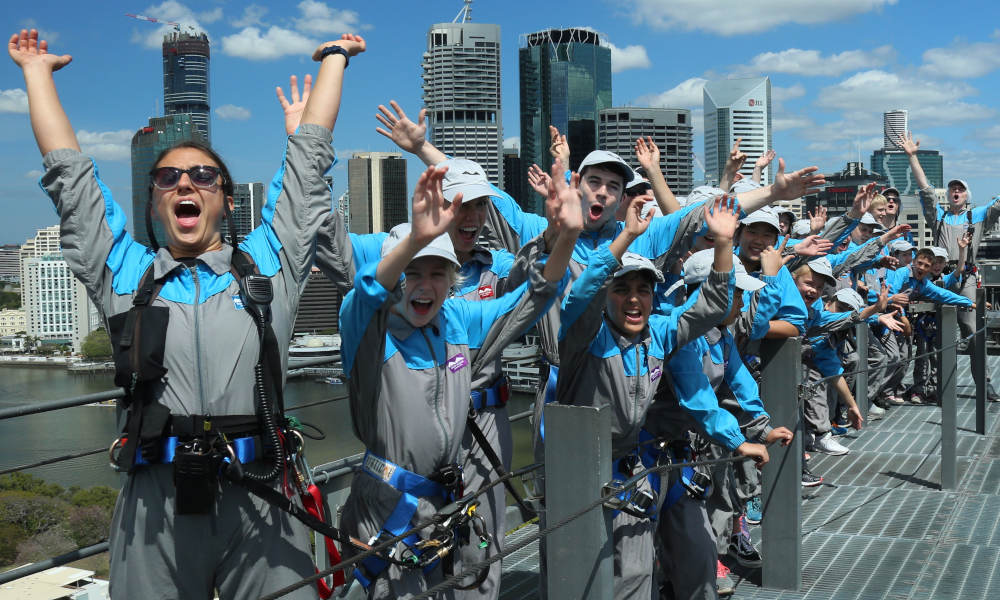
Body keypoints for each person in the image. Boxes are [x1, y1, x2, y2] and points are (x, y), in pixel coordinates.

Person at [10, 27, 366, 599]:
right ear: (154, 199)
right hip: (154, 503)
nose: (185, 183)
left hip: (260, 494)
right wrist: (34, 74)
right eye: (168, 177)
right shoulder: (127, 276)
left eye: (204, 176)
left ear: (225, 199)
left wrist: (334, 60)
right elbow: (71, 182)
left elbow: (307, 166)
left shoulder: (269, 268)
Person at [336, 162, 580, 598]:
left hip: (446, 497)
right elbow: (367, 293)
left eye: (436, 273)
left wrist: (567, 237)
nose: (424, 286)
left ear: (452, 281)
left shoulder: (456, 319)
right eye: (412, 273)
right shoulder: (370, 331)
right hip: (390, 505)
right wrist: (417, 238)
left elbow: (534, 297)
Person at [556, 195, 743, 600]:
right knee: (577, 575)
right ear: (607, 296)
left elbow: (709, 308)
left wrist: (724, 245)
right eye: (621, 290)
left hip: (630, 467)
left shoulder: (655, 335)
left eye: (644, 289)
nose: (634, 299)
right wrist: (626, 235)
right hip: (577, 472)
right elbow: (581, 298)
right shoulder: (584, 338)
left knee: (637, 573)